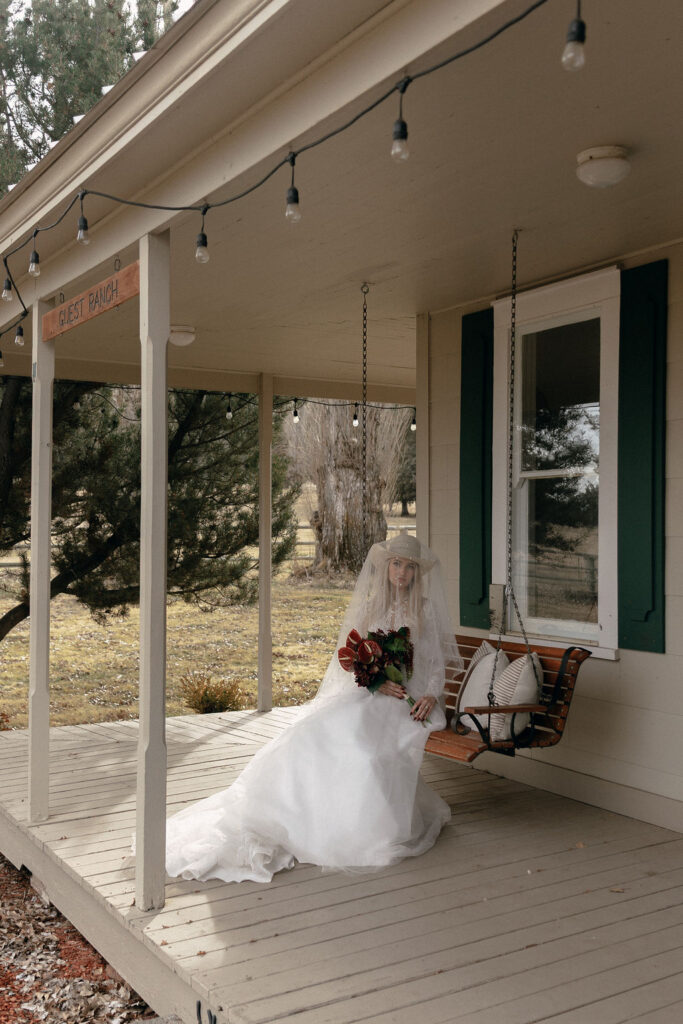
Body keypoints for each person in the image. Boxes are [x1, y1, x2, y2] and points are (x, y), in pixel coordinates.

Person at [165, 531, 461, 883]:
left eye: (409, 567)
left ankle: (362, 826)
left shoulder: (424, 610)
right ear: (386, 568)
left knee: (363, 751)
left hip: (407, 700)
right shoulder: (372, 607)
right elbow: (352, 662)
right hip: (374, 693)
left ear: (417, 573)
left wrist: (429, 695)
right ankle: (294, 816)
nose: (401, 572)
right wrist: (376, 681)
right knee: (311, 733)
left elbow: (436, 662)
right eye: (396, 564)